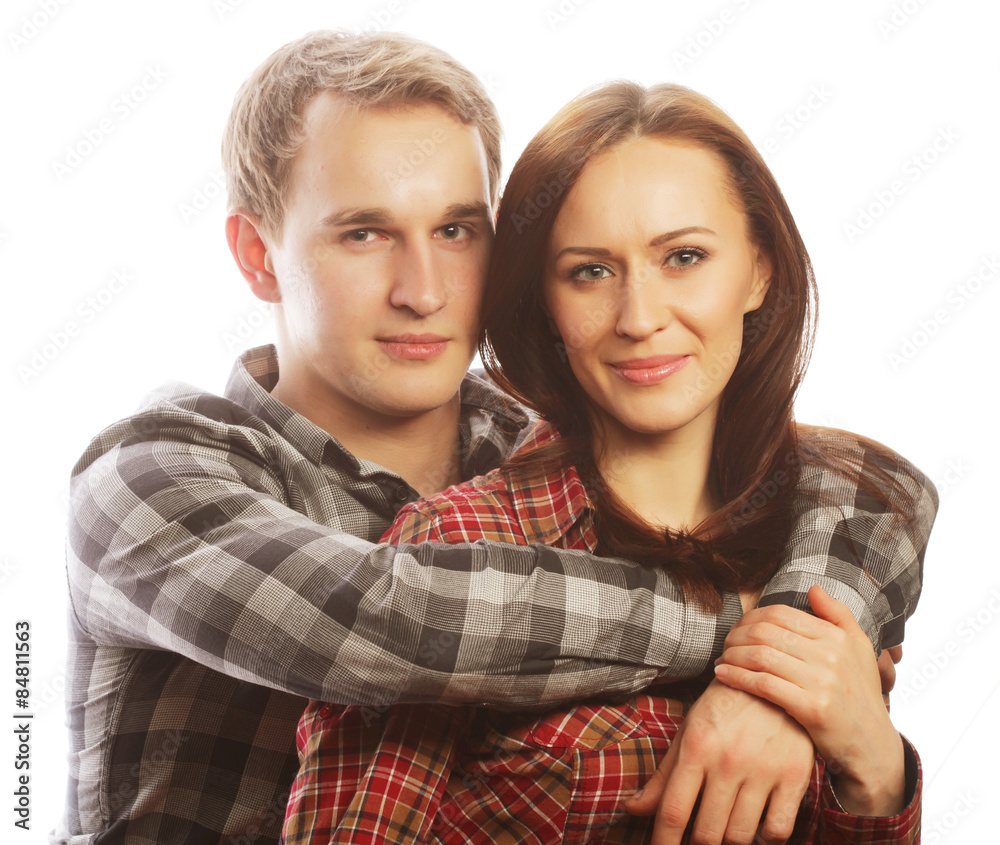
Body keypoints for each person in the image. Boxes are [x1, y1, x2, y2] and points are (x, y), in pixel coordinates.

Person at [56, 32, 935, 845]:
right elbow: (393, 620)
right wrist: (757, 637)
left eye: (456, 230)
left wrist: (802, 680)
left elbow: (861, 483)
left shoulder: (552, 454)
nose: (425, 289)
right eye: (364, 234)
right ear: (256, 254)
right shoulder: (146, 475)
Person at [283, 81, 933, 844]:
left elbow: (886, 479)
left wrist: (874, 766)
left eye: (684, 257)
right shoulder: (457, 538)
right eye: (590, 271)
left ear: (757, 270)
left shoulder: (826, 543)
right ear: (545, 304)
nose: (640, 317)